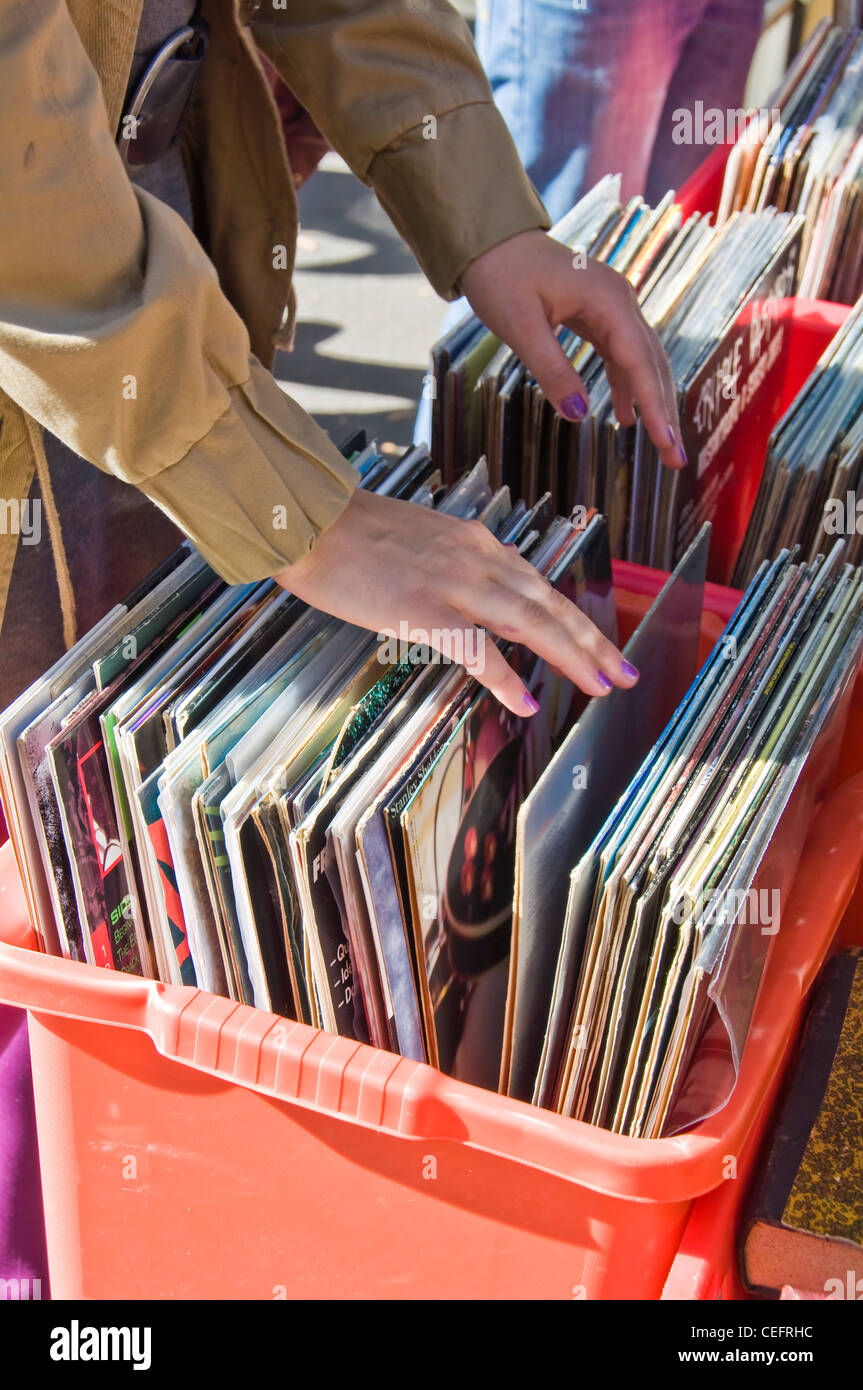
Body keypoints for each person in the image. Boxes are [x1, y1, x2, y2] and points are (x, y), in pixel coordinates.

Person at [0, 0, 685, 1286]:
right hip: (47, 321)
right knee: (50, 863)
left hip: (159, 277)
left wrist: (484, 214)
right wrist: (298, 517)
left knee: (129, 838)